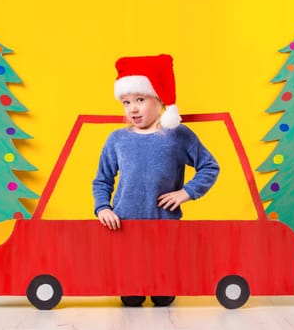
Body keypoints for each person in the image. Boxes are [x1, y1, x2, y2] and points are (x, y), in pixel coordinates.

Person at [92, 54, 219, 307]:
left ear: (159, 100)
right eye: (127, 102)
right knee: (131, 298)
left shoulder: (177, 135)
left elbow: (209, 166)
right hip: (125, 227)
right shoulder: (117, 139)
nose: (133, 108)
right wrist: (103, 207)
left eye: (140, 99)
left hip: (164, 225)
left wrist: (187, 192)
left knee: (163, 298)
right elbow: (102, 180)